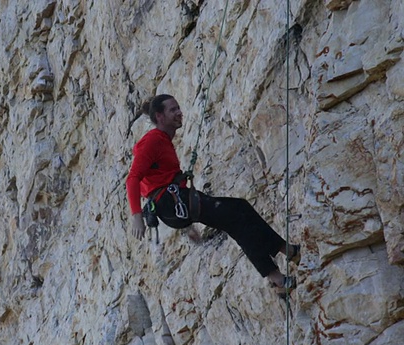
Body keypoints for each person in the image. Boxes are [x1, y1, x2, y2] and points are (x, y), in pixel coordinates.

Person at [126, 94, 300, 295]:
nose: (179, 112)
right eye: (172, 110)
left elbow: (155, 181)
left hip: (175, 203)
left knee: (239, 209)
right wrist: (136, 216)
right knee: (236, 219)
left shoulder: (162, 140)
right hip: (171, 202)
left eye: (178, 108)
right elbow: (133, 179)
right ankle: (279, 275)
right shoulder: (153, 140)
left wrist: (186, 224)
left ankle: (287, 253)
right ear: (159, 116)